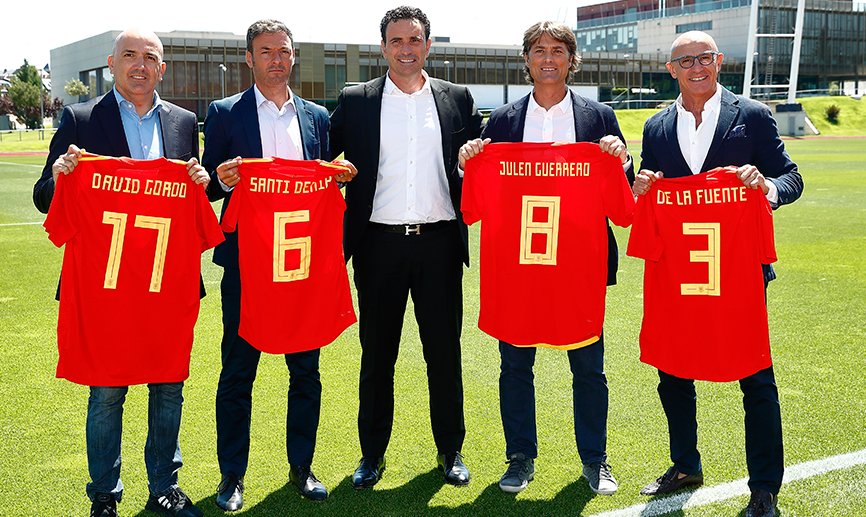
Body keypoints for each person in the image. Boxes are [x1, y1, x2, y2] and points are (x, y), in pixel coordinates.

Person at [32, 28, 207, 517]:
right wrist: (62, 175)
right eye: (129, 55)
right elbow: (45, 199)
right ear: (112, 63)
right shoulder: (81, 117)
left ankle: (163, 486)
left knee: (168, 387)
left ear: (162, 68)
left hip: (164, 285)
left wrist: (201, 181)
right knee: (107, 392)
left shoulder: (183, 121)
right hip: (105, 285)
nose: (139, 65)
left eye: (150, 57)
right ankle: (104, 494)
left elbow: (193, 194)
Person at [632, 31, 802, 517]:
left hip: (738, 271)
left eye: (704, 58)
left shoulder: (751, 115)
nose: (696, 67)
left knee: (755, 376)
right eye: (685, 61)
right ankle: (685, 464)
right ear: (671, 70)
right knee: (672, 370)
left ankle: (764, 487)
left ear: (719, 61)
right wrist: (642, 184)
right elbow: (651, 182)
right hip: (677, 273)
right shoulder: (657, 125)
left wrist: (764, 185)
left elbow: (792, 178)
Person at [458, 21, 632, 496]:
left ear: (571, 59)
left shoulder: (598, 116)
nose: (548, 58)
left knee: (588, 369)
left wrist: (621, 157)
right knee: (515, 366)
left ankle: (595, 459)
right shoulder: (503, 120)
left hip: (579, 267)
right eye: (539, 50)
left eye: (558, 50)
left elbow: (621, 191)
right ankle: (520, 457)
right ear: (528, 59)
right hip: (519, 267)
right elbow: (477, 186)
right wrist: (468, 158)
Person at [329, 5, 483, 489]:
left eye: (414, 40)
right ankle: (371, 456)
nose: (406, 49)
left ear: (428, 45)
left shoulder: (456, 97)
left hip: (439, 245)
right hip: (378, 246)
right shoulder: (356, 100)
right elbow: (315, 157)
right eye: (396, 41)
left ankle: (451, 450)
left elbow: (483, 160)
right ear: (383, 48)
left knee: (444, 354)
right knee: (377, 357)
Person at [203, 19, 355, 508]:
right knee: (237, 373)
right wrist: (225, 182)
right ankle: (232, 477)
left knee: (305, 372)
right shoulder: (224, 113)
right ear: (249, 58)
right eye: (265, 51)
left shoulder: (316, 116)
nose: (275, 59)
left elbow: (323, 181)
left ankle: (302, 468)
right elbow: (207, 185)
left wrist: (341, 177)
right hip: (247, 267)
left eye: (283, 51)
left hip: (301, 267)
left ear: (293, 57)